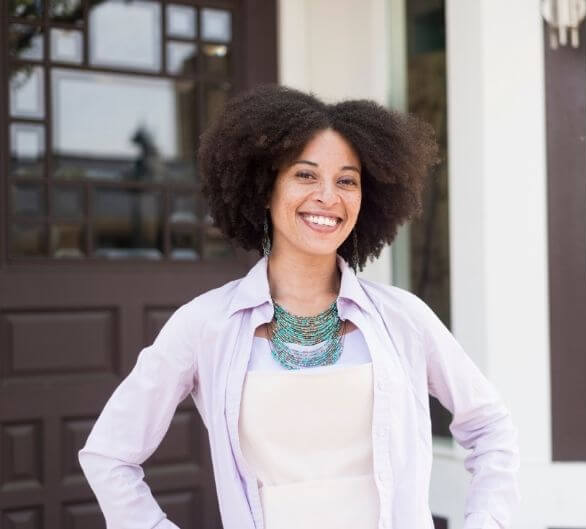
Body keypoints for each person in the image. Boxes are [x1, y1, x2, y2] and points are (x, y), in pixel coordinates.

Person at [79, 84, 520, 529]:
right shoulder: (204, 325)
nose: (328, 197)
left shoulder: (404, 318)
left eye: (346, 180)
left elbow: (491, 430)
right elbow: (108, 455)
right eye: (306, 175)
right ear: (265, 190)